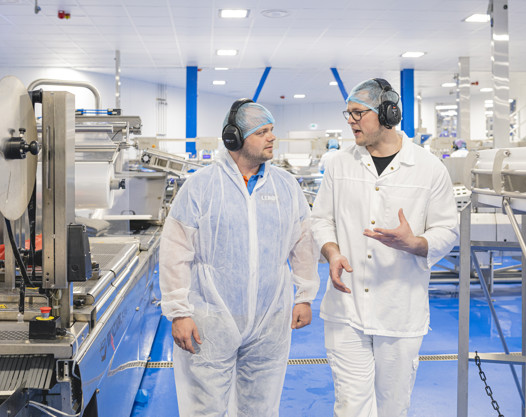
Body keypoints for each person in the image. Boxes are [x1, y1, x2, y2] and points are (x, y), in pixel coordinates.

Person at [159, 99, 320, 417]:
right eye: (262, 131)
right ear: (234, 139)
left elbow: (303, 245)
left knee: (260, 407)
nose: (272, 137)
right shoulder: (201, 187)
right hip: (209, 318)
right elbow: (175, 252)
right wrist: (179, 312)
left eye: (272, 130)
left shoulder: (286, 187)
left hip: (270, 318)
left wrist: (305, 296)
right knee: (205, 408)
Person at [311, 79, 459, 417]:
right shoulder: (338, 164)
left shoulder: (428, 168)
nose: (350, 121)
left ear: (388, 114)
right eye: (347, 113)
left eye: (358, 113)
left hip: (399, 310)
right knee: (350, 407)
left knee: (393, 407)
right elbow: (321, 220)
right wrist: (332, 252)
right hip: (345, 309)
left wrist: (417, 243)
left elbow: (448, 229)